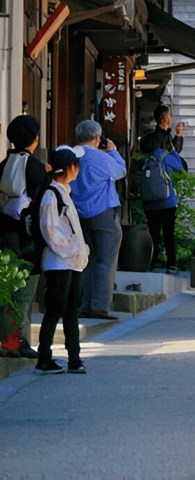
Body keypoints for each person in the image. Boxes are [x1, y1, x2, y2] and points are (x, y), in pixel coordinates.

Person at [35, 145, 89, 374]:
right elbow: (50, 230)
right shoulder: (52, 194)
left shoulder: (63, 191)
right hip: (60, 262)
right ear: (69, 168)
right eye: (76, 165)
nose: (78, 169)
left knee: (70, 311)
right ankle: (44, 359)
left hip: (71, 261)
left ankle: (74, 359)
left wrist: (78, 251)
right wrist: (71, 250)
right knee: (56, 310)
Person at [0, 115, 49, 359]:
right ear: (36, 139)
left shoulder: (1, 167)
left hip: (4, 238)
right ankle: (13, 342)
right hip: (28, 241)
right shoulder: (38, 169)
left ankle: (11, 342)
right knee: (23, 294)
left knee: (5, 291)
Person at [71, 120, 126, 320]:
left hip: (78, 214)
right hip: (102, 212)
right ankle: (100, 306)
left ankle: (85, 304)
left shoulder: (70, 154)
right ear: (97, 138)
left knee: (88, 259)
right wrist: (112, 151)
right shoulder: (99, 156)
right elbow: (121, 170)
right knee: (106, 259)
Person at [138, 132, 183, 272]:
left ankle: (151, 262)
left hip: (149, 202)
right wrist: (174, 150)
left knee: (153, 235)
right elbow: (179, 166)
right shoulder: (164, 156)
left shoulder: (144, 158)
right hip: (167, 202)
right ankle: (171, 264)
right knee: (169, 234)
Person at [151, 104, 187, 170]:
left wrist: (179, 135)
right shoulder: (160, 137)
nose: (171, 119)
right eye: (169, 116)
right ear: (164, 119)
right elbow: (171, 152)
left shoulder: (165, 135)